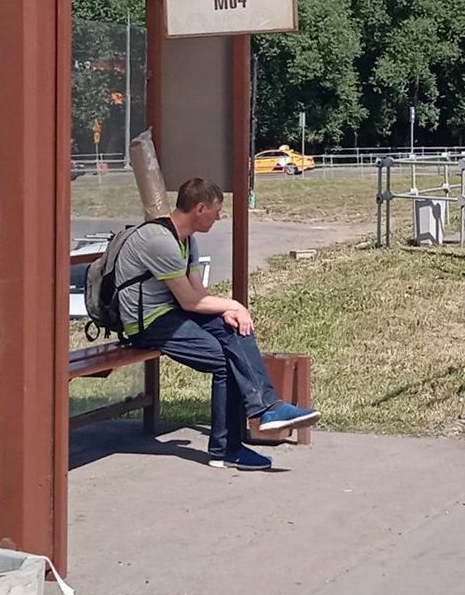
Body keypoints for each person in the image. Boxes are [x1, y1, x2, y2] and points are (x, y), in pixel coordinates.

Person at [116, 176, 319, 470]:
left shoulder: (188, 241)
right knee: (226, 361)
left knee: (235, 328)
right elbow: (189, 301)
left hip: (173, 311)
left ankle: (268, 408)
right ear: (200, 209)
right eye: (217, 210)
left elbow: (197, 294)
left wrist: (227, 313)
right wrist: (234, 305)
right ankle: (227, 448)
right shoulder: (160, 241)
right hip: (146, 322)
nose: (219, 217)